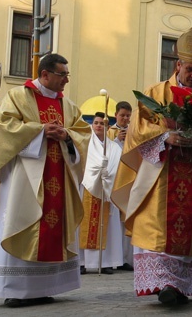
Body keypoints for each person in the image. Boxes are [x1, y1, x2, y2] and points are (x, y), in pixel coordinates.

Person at [111, 24, 192, 305]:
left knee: (190, 228)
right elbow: (138, 131)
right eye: (190, 69)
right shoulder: (154, 93)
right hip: (161, 174)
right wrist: (168, 136)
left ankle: (179, 286)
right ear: (178, 65)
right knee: (157, 227)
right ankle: (163, 283)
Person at [0, 54, 91, 307]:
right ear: (45, 74)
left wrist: (67, 135)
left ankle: (44, 287)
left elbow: (83, 134)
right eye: (62, 75)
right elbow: (4, 128)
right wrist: (40, 130)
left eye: (67, 75)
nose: (66, 80)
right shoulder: (18, 96)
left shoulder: (68, 106)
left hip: (58, 177)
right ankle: (16, 289)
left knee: (53, 226)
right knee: (21, 220)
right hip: (24, 178)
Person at [79, 112, 123, 275]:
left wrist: (107, 173)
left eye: (102, 123)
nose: (98, 125)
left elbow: (117, 167)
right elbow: (83, 164)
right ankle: (82, 262)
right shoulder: (86, 144)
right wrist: (98, 171)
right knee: (84, 222)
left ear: (107, 127)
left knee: (108, 226)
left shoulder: (113, 147)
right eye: (96, 123)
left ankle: (104, 262)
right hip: (88, 188)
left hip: (107, 191)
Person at [106, 101, 134, 271]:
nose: (125, 119)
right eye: (122, 115)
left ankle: (126, 258)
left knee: (127, 219)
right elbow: (106, 153)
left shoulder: (134, 132)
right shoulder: (109, 133)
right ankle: (115, 258)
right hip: (114, 180)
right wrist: (117, 140)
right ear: (116, 115)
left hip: (130, 179)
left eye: (128, 116)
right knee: (114, 221)